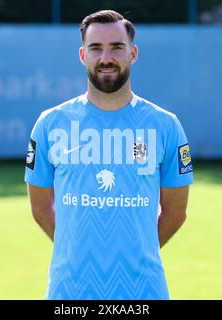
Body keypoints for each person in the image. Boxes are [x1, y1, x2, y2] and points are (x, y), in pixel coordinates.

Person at [25, 10, 193, 300]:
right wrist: (76, 251)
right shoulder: (50, 124)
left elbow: (176, 213)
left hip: (144, 293)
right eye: (95, 48)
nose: (106, 58)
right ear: (82, 55)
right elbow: (40, 209)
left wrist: (136, 254)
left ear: (133, 53)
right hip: (70, 294)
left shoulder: (165, 126)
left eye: (116, 47)